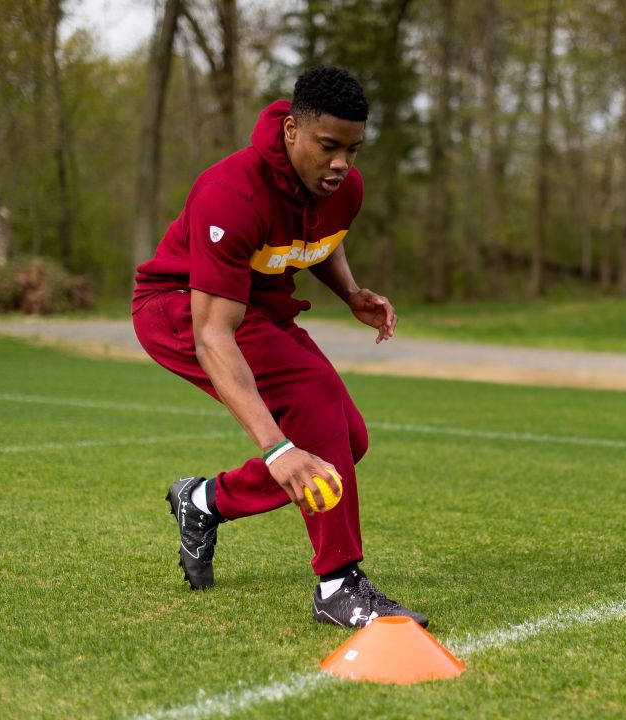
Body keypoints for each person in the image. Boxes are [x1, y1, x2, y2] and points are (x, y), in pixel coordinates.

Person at [131, 67, 427, 629]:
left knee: (348, 441)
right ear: (291, 131)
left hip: (259, 306)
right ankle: (339, 585)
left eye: (353, 149)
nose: (341, 163)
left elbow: (319, 239)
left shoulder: (345, 190)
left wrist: (350, 292)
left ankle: (204, 502)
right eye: (328, 146)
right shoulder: (231, 191)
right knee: (312, 401)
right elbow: (213, 333)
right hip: (177, 307)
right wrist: (274, 448)